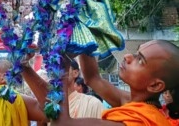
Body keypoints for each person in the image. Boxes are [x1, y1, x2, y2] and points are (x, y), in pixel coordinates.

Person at [50, 40, 179, 125]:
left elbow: (62, 123)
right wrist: (84, 34)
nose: (127, 57)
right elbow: (92, 78)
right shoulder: (132, 101)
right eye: (135, 53)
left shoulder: (140, 121)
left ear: (155, 85)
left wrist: (63, 65)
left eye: (140, 60)